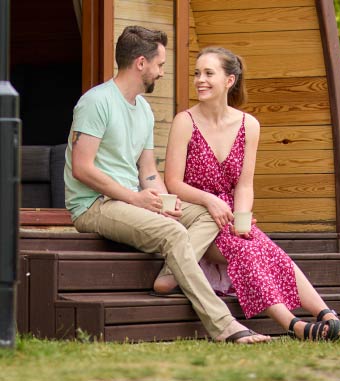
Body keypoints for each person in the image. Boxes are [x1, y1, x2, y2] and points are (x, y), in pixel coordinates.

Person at [64, 26, 271, 344]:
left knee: (207, 213)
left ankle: (171, 272)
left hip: (130, 199)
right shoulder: (96, 102)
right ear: (141, 63)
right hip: (94, 205)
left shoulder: (144, 110)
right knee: (174, 232)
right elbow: (82, 168)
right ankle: (224, 326)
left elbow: (148, 171)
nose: (162, 73)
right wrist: (136, 199)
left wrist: (168, 202)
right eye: (160, 65)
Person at [153, 46, 340, 341]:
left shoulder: (249, 125)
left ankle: (326, 314)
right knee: (246, 248)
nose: (200, 80)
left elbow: (244, 185)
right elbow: (173, 182)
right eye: (197, 73)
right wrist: (211, 200)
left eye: (209, 73)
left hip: (231, 216)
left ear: (229, 80)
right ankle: (295, 326)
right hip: (197, 217)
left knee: (261, 245)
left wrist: (243, 219)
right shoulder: (185, 121)